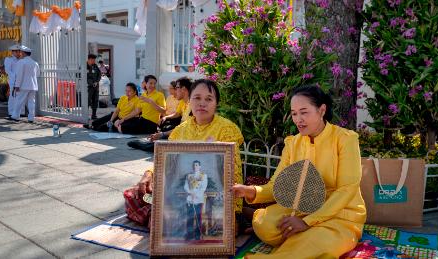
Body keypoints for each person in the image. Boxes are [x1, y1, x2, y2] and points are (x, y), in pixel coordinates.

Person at [232, 85, 366, 258]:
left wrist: (307, 222)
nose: (298, 119)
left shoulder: (345, 140)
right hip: (301, 207)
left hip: (340, 215)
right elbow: (277, 185)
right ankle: (302, 237)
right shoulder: (293, 143)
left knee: (318, 242)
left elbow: (347, 189)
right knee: (264, 224)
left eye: (304, 112)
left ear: (322, 110)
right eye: (294, 113)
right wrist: (249, 191)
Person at [123, 79, 244, 226]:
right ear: (190, 101)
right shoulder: (180, 130)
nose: (202, 103)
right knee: (135, 194)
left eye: (209, 99)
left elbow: (234, 173)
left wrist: (233, 213)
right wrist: (149, 174)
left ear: (216, 103)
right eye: (197, 98)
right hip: (180, 192)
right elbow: (166, 162)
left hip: (212, 195)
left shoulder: (227, 129)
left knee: (185, 220)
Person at [126, 77, 191, 151]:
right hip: (180, 129)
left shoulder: (192, 105)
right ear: (145, 84)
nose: (175, 91)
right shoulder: (183, 102)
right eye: (150, 83)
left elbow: (164, 111)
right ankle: (147, 143)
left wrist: (162, 134)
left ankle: (146, 144)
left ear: (184, 89)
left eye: (176, 88)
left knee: (159, 143)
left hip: (154, 123)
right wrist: (165, 118)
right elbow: (178, 115)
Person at [10, 46, 40, 123]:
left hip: (23, 85)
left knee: (19, 101)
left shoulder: (21, 62)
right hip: (33, 85)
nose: (20, 53)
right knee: (31, 102)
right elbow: (37, 74)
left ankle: (15, 116)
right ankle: (31, 118)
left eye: (21, 52)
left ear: (23, 53)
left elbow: (19, 75)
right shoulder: (35, 63)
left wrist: (17, 85)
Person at [184, 160, 208, 240]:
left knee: (198, 217)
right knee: (189, 217)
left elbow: (203, 187)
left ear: (200, 166)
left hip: (198, 199)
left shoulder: (203, 176)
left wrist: (196, 194)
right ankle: (189, 234)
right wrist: (190, 192)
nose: (195, 167)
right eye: (194, 165)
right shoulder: (189, 176)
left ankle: (198, 235)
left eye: (197, 165)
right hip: (190, 199)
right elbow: (186, 186)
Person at [4, 44, 20, 117]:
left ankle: (19, 112)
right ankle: (11, 112)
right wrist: (15, 77)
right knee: (12, 96)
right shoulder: (8, 59)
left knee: (19, 96)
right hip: (13, 81)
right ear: (12, 52)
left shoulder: (20, 60)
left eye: (19, 51)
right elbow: (8, 71)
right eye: (16, 52)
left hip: (19, 80)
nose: (18, 53)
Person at [87, 54, 101, 119]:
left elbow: (99, 74)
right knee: (87, 101)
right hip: (88, 87)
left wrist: (97, 81)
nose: (94, 61)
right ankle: (85, 116)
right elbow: (79, 76)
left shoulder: (95, 66)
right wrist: (91, 83)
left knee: (95, 101)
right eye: (93, 60)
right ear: (89, 59)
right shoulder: (84, 66)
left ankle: (94, 115)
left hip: (95, 87)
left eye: (94, 60)